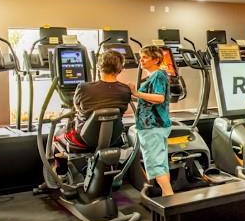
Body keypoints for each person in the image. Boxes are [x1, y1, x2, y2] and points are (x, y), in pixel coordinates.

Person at [56, 49, 132, 150]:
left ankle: (59, 166)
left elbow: (77, 107)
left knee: (57, 135)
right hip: (114, 137)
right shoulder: (125, 89)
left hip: (83, 137)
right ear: (121, 69)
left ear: (98, 67)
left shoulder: (83, 87)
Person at [133, 45, 173, 196]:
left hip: (152, 125)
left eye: (145, 57)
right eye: (140, 57)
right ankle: (167, 196)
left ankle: (169, 197)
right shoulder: (156, 76)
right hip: (157, 125)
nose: (141, 60)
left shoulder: (158, 75)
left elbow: (159, 98)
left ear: (156, 59)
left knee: (156, 164)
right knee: (161, 164)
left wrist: (137, 93)